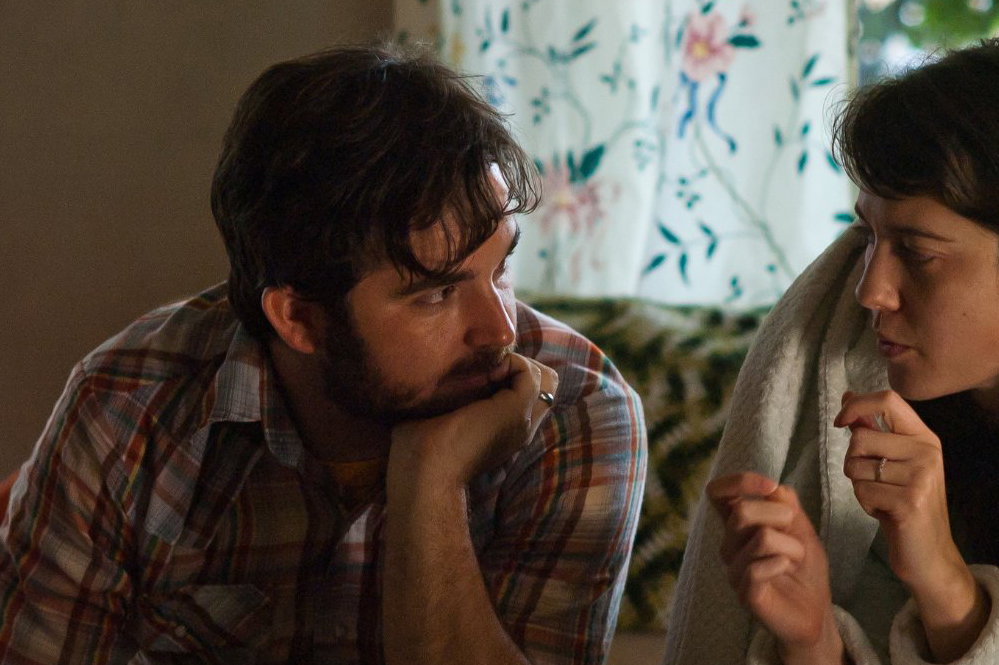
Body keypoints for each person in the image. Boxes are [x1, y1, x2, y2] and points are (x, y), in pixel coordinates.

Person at [0, 45, 646, 664]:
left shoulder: (576, 412)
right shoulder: (127, 406)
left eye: (500, 269)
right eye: (437, 293)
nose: (499, 330)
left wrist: (431, 481)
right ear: (299, 319)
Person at [664, 38, 999, 665]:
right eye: (866, 236)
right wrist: (810, 639)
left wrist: (943, 581)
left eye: (918, 253)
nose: (869, 290)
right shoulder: (877, 424)